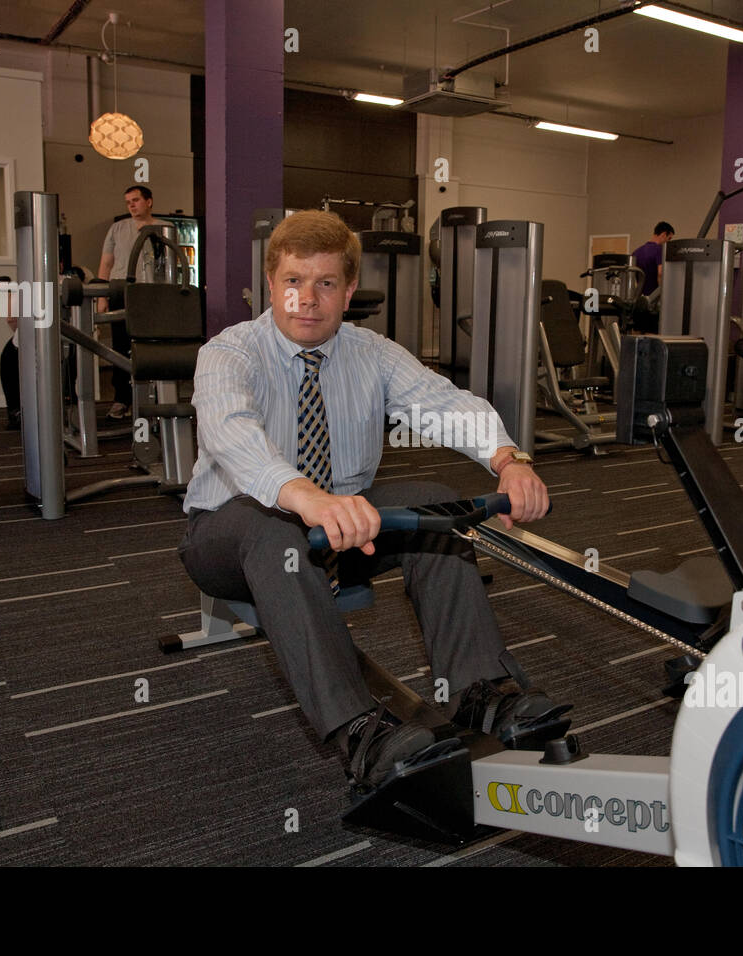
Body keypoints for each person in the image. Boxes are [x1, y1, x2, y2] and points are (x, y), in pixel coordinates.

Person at [178, 210, 569, 787]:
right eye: (293, 282)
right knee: (275, 528)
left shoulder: (373, 352)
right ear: (271, 285)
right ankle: (357, 730)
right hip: (228, 534)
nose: (307, 299)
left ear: (349, 290)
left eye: (326, 283)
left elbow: (443, 404)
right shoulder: (229, 353)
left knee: (435, 503)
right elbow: (232, 433)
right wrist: (306, 497)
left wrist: (509, 461)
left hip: (345, 523)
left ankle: (478, 692)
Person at [96, 185, 170, 420]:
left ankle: (156, 397)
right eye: (128, 201)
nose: (131, 205)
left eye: (136, 200)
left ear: (148, 201)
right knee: (120, 346)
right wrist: (101, 296)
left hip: (150, 292)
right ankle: (122, 399)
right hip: (121, 290)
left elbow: (170, 263)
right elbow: (106, 263)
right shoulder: (117, 228)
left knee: (152, 345)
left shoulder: (164, 228)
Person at [632, 220, 674, 298]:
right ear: (664, 234)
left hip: (640, 296)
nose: (668, 242)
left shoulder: (636, 252)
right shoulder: (659, 250)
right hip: (653, 297)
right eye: (669, 238)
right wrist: (662, 294)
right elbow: (660, 273)